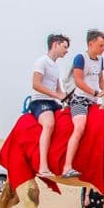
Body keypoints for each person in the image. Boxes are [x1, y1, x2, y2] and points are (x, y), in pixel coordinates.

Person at [62, 30, 104, 178]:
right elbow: (78, 81)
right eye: (101, 45)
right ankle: (67, 167)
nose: (103, 49)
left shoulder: (100, 60)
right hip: (79, 99)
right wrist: (97, 93)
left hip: (93, 100)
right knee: (79, 127)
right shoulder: (81, 58)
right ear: (91, 44)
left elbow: (100, 79)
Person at [29, 33, 70, 177]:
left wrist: (67, 97)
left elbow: (59, 90)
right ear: (55, 44)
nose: (66, 51)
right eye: (64, 47)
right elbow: (36, 84)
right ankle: (42, 166)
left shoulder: (55, 67)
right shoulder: (42, 62)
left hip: (53, 102)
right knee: (49, 124)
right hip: (40, 101)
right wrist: (56, 95)